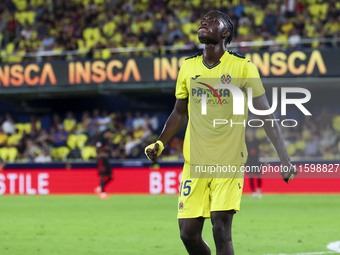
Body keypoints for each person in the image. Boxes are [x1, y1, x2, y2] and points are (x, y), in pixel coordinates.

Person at [145, 10, 298, 255]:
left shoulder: (243, 68)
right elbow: (179, 113)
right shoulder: (188, 67)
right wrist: (160, 143)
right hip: (194, 163)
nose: (204, 22)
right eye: (203, 20)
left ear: (225, 33)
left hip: (228, 162)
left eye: (212, 21)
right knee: (188, 234)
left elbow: (266, 115)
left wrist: (284, 159)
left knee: (220, 231)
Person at [94, 130, 113, 199]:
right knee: (102, 175)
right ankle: (102, 192)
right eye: (109, 133)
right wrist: (103, 151)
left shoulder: (107, 141)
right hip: (101, 159)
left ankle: (100, 187)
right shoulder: (101, 139)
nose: (110, 135)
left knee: (111, 176)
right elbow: (97, 148)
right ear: (106, 133)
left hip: (106, 159)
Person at [245, 128, 262, 198]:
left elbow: (261, 150)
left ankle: (259, 189)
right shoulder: (245, 142)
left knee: (258, 176)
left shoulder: (256, 141)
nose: (249, 134)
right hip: (249, 161)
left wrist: (265, 159)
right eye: (247, 132)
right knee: (251, 176)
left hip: (256, 161)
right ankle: (253, 192)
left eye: (250, 132)